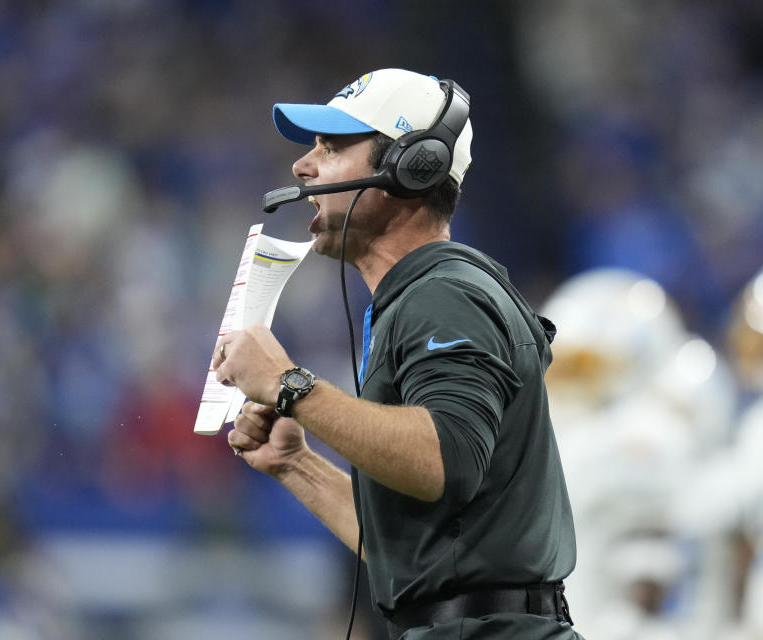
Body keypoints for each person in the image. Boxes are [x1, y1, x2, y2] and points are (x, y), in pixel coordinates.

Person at [212, 68, 583, 639]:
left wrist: (290, 384)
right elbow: (420, 557)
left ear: (412, 168)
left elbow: (447, 459)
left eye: (331, 147)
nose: (302, 166)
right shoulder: (421, 298)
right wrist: (299, 467)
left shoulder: (443, 296)